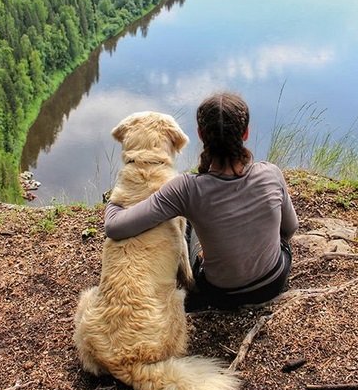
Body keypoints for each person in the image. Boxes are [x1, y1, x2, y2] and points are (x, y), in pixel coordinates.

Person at [105, 92, 299, 311]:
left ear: (200, 134)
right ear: (245, 133)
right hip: (273, 282)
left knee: (187, 226)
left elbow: (114, 227)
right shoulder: (271, 173)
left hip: (221, 293)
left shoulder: (187, 188)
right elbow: (290, 229)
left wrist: (118, 194)